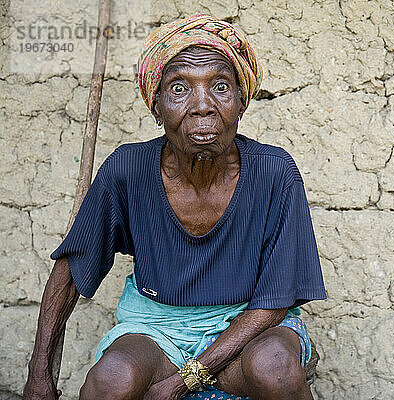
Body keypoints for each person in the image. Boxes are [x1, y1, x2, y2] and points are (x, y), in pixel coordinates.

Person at [23, 14, 326, 400]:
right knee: (111, 380)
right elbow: (71, 268)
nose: (202, 106)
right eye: (179, 88)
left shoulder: (274, 172)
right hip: (158, 330)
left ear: (241, 102)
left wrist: (185, 380)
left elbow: (274, 302)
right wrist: (39, 374)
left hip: (247, 330)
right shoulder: (127, 169)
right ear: (157, 107)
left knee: (274, 368)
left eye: (220, 86)